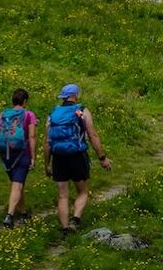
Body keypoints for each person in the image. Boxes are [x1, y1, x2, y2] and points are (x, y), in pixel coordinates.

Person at [45, 84, 111, 234]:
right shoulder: (81, 111)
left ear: (63, 96)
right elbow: (92, 135)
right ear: (75, 95)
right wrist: (102, 157)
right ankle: (75, 219)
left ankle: (64, 228)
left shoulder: (53, 113)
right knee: (82, 191)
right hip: (77, 156)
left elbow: (47, 143)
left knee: (62, 195)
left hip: (58, 157)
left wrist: (47, 165)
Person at [0, 88, 38, 228]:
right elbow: (32, 137)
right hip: (22, 154)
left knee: (18, 183)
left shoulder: (3, 114)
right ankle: (9, 217)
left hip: (6, 155)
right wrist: (33, 157)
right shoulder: (29, 115)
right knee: (17, 185)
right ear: (25, 101)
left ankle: (23, 213)